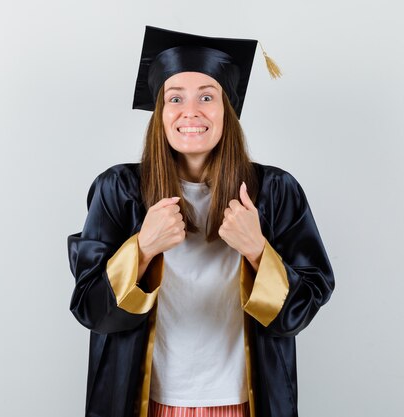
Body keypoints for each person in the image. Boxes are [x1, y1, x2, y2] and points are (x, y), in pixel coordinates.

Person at [67, 26, 334, 417]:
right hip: (142, 402)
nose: (190, 111)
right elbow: (91, 309)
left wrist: (259, 251)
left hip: (246, 402)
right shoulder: (120, 190)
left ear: (227, 108)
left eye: (206, 97)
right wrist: (141, 248)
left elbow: (302, 309)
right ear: (160, 113)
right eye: (175, 98)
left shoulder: (275, 192)